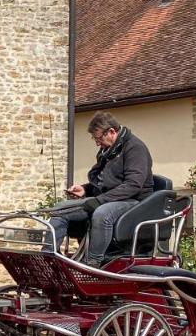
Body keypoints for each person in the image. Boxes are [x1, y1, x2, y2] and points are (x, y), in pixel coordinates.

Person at [45, 111, 155, 266]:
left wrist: (99, 201)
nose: (97, 143)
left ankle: (93, 262)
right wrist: (85, 189)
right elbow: (107, 182)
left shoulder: (135, 148)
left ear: (111, 131)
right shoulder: (109, 150)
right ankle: (49, 256)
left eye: (99, 139)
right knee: (59, 209)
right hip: (111, 198)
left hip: (134, 201)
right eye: (95, 140)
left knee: (102, 213)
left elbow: (133, 185)